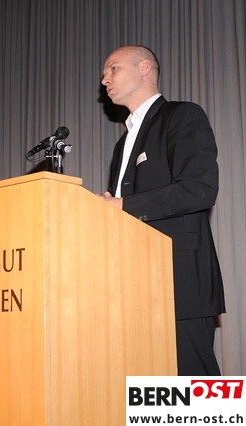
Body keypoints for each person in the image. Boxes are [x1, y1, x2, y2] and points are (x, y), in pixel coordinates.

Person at [99, 45, 225, 375]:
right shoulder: (122, 144)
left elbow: (200, 189)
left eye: (113, 68)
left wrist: (122, 205)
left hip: (178, 282)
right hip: (132, 285)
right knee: (149, 396)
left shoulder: (181, 116)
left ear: (144, 68)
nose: (104, 79)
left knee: (195, 391)